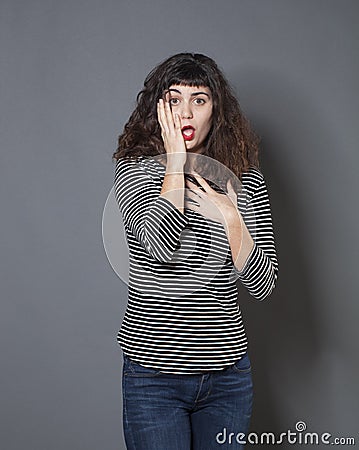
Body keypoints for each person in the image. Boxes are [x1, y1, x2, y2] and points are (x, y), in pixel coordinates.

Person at [112, 52, 278, 450]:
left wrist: (230, 217)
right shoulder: (136, 168)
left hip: (228, 379)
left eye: (199, 99)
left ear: (215, 110)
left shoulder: (244, 176)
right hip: (154, 379)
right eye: (174, 99)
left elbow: (263, 283)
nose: (186, 112)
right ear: (159, 107)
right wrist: (174, 162)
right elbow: (159, 244)